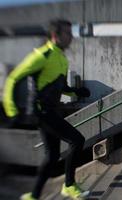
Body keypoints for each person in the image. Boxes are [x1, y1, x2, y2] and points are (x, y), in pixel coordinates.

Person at [2, 19, 91, 200]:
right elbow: (13, 78)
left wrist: (76, 91)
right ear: (55, 35)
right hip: (41, 111)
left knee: (52, 156)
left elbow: (61, 86)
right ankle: (69, 185)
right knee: (77, 140)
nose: (71, 37)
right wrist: (12, 112)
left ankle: (33, 196)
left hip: (51, 110)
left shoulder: (62, 58)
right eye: (67, 33)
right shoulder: (42, 55)